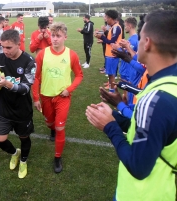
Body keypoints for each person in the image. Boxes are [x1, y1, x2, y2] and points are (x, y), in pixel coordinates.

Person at [86, 10, 177, 201]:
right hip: (164, 190)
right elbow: (153, 129)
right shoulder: (169, 84)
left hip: (140, 194)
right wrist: (116, 114)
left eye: (141, 37)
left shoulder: (156, 98)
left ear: (148, 43)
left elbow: (138, 166)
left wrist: (109, 127)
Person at [32, 22, 83, 173]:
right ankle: (51, 129)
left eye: (58, 36)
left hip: (62, 97)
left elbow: (79, 75)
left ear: (65, 37)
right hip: (45, 96)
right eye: (53, 35)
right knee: (49, 123)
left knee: (60, 127)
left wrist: (69, 89)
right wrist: (36, 98)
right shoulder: (42, 54)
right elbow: (36, 78)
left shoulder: (71, 55)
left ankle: (57, 157)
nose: (55, 39)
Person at [0, 29, 36, 179]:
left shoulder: (29, 61)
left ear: (18, 44)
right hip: (4, 106)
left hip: (22, 108)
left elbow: (26, 88)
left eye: (9, 47)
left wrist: (8, 84)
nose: (5, 51)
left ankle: (23, 161)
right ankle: (15, 153)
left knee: (24, 137)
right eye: (2, 47)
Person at [95, 10, 122, 93]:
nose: (105, 19)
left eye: (106, 17)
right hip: (109, 54)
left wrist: (102, 37)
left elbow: (112, 41)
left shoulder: (116, 27)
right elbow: (109, 40)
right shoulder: (113, 27)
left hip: (112, 54)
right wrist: (102, 39)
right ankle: (111, 90)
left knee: (112, 75)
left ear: (110, 18)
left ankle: (112, 92)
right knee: (110, 74)